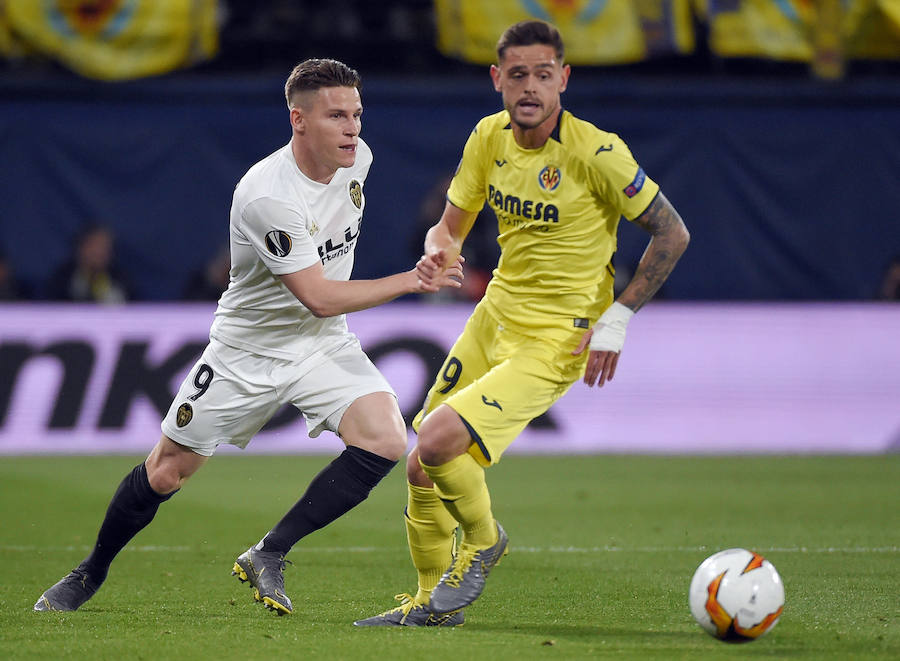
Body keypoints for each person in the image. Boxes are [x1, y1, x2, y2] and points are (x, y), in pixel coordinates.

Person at [33, 58, 464, 615]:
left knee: (384, 438)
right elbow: (318, 293)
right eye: (337, 116)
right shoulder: (268, 196)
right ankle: (88, 573)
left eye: (357, 114)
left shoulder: (360, 161)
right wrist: (411, 280)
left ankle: (270, 552)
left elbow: (322, 307)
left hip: (321, 342)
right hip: (248, 350)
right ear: (298, 120)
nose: (353, 128)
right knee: (167, 471)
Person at [355, 20, 690, 627]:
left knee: (435, 439)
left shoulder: (598, 153)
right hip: (494, 316)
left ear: (563, 78)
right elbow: (450, 226)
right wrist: (441, 251)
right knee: (419, 462)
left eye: (542, 74)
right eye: (517, 75)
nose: (529, 87)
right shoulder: (489, 138)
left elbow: (673, 232)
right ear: (497, 80)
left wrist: (617, 318)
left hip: (557, 335)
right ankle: (429, 603)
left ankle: (482, 541)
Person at [45, 223, 132, 303]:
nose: (99, 252)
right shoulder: (62, 279)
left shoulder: (120, 279)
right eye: (94, 246)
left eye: (104, 247)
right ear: (81, 247)